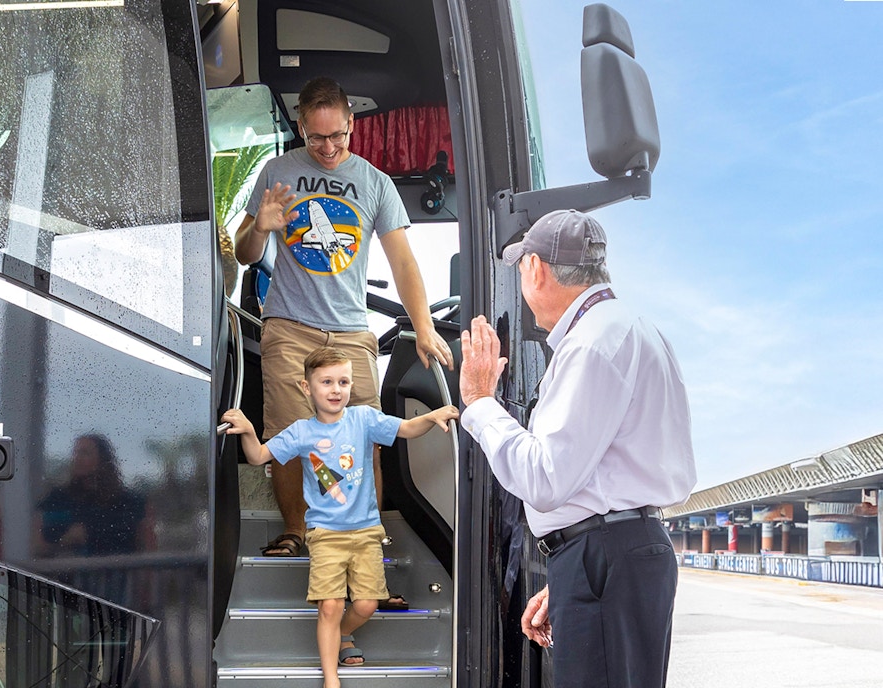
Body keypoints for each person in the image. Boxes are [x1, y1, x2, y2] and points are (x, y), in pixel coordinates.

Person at [457, 209, 697, 688]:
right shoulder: (630, 328)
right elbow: (609, 474)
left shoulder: (590, 343)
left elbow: (545, 478)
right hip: (619, 554)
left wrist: (481, 403)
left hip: (607, 557)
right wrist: (575, 574)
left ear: (535, 269)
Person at [233, 76, 454, 569]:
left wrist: (423, 326)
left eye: (338, 135)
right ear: (301, 127)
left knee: (365, 438)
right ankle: (296, 531)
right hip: (290, 326)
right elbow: (246, 253)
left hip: (352, 332)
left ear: (352, 123)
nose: (329, 147)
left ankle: (363, 539)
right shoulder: (277, 171)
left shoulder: (375, 182)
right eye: (317, 137)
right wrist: (261, 228)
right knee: (288, 435)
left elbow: (403, 262)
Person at [221, 346, 458, 688]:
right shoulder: (302, 431)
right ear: (307, 387)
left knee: (367, 605)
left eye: (343, 382)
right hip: (325, 533)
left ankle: (344, 633)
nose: (336, 390)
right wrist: (247, 429)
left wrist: (431, 417)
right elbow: (258, 456)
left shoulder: (363, 419)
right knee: (330, 605)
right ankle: (330, 677)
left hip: (366, 532)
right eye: (327, 382)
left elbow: (406, 428)